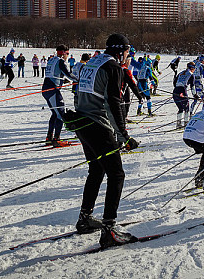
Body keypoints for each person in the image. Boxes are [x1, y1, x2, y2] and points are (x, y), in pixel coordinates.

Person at [66, 33, 140, 247]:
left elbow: (78, 92)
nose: (128, 55)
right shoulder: (113, 67)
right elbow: (113, 103)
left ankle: (85, 219)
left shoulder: (92, 62)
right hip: (98, 125)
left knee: (97, 170)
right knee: (116, 174)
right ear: (120, 51)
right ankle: (109, 229)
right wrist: (124, 135)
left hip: (83, 123)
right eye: (127, 52)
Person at [43, 45, 78, 147]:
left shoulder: (51, 59)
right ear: (63, 53)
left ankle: (49, 137)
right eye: (67, 53)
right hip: (53, 90)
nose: (67, 56)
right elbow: (68, 74)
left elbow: (55, 74)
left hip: (47, 89)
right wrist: (79, 80)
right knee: (61, 114)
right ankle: (56, 139)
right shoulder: (61, 61)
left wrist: (62, 80)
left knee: (55, 113)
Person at [173, 62, 196, 128]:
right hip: (182, 91)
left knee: (180, 108)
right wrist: (195, 95)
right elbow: (192, 86)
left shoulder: (181, 73)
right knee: (186, 109)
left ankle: (178, 124)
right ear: (192, 68)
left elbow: (174, 82)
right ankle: (186, 124)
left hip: (175, 91)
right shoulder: (191, 75)